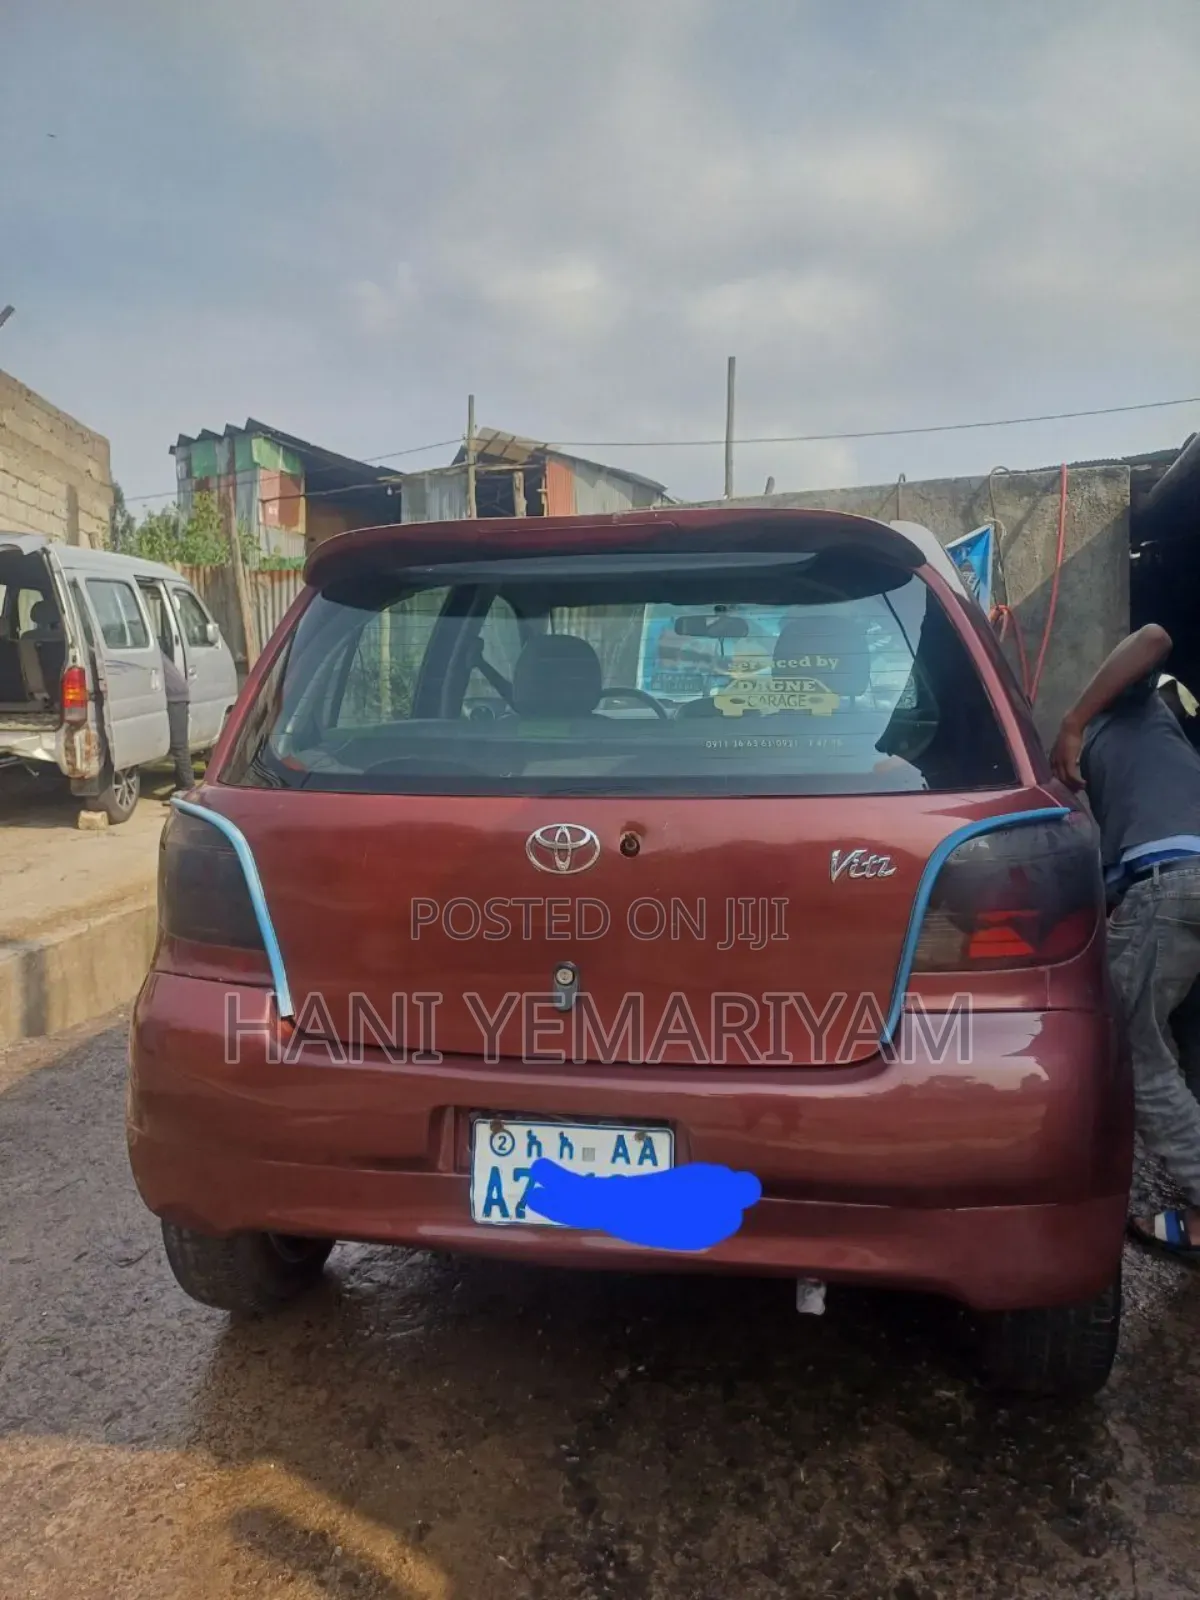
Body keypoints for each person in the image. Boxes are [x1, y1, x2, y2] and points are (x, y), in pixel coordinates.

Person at [1051, 624, 1200, 1263]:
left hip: (1170, 887)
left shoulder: (1131, 704)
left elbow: (1154, 637)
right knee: (1171, 1037)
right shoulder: (1154, 757)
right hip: (1168, 890)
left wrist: (1074, 720)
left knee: (1135, 1050)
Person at [160, 645, 193, 795]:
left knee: (179, 745)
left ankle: (188, 787)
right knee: (177, 746)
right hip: (176, 695)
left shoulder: (153, 656)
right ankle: (181, 785)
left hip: (176, 697)